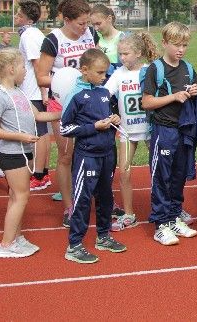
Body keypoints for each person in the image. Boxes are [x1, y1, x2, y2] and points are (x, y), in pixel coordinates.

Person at [60, 48, 127, 263]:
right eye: (99, 73)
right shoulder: (75, 95)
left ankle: (103, 236)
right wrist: (93, 127)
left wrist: (114, 119)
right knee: (82, 199)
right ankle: (74, 245)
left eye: (105, 73)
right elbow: (65, 128)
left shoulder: (104, 92)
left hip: (107, 153)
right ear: (84, 70)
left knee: (106, 197)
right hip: (87, 156)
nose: (103, 77)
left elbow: (107, 116)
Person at [35, 0, 97, 227]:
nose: (85, 27)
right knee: (66, 155)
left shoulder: (91, 34)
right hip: (62, 104)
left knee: (93, 152)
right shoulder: (53, 40)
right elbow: (41, 76)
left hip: (89, 102)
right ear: (67, 20)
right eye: (81, 23)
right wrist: (66, 79)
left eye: (87, 22)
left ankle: (95, 198)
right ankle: (69, 207)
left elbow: (98, 62)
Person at [0, 48, 61, 258]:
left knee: (16, 196)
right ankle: (7, 244)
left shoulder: (20, 92)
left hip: (24, 151)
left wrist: (65, 113)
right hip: (12, 152)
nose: (26, 71)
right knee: (21, 196)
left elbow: (39, 116)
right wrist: (20, 136)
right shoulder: (1, 95)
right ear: (10, 69)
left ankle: (16, 237)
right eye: (22, 67)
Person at [141, 22, 197, 245]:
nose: (181, 49)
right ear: (165, 43)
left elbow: (195, 90)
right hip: (163, 130)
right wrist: (173, 97)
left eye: (184, 45)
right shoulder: (155, 69)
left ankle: (174, 217)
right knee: (161, 177)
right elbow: (146, 102)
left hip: (183, 130)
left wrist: (194, 91)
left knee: (178, 176)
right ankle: (160, 224)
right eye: (176, 45)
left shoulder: (188, 68)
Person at [104, 32, 158, 231]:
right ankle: (129, 214)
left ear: (138, 53)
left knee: (160, 171)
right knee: (124, 172)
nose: (122, 58)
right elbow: (105, 95)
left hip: (150, 129)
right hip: (127, 131)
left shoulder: (150, 70)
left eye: (126, 54)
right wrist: (111, 113)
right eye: (120, 54)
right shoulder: (118, 74)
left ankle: (169, 208)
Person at [14, 0, 51, 192]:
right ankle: (43, 172)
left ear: (27, 19)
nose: (16, 17)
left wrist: (44, 91)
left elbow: (38, 65)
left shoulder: (29, 35)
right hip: (35, 89)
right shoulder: (34, 33)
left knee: (38, 133)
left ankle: (38, 175)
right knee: (42, 132)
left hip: (33, 90)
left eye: (19, 14)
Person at [90, 4, 124, 73]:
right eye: (93, 25)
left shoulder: (123, 38)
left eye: (98, 23)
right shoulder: (94, 37)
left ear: (109, 19)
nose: (96, 28)